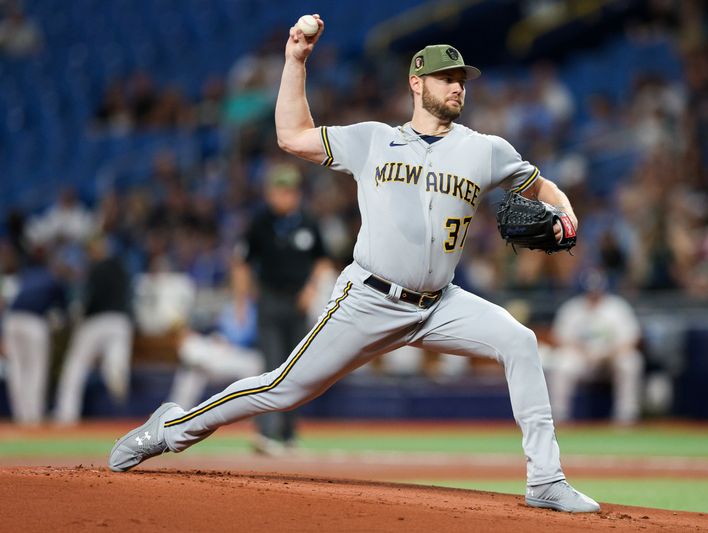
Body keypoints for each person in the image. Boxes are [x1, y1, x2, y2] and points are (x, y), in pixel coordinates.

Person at [109, 16, 600, 513]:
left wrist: (567, 217)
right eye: (446, 77)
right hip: (369, 298)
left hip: (441, 303)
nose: (457, 87)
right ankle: (169, 429)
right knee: (282, 389)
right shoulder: (373, 140)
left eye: (462, 79)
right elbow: (292, 135)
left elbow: (541, 187)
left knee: (520, 340)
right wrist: (295, 60)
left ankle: (545, 479)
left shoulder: (486, 150)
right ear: (416, 82)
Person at [242, 162, 333, 454]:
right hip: (269, 299)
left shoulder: (308, 221)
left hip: (298, 302)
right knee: (270, 365)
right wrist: (243, 300)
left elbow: (323, 260)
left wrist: (311, 289)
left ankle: (289, 434)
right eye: (278, 190)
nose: (282, 196)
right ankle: (266, 435)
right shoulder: (260, 222)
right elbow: (242, 262)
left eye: (287, 191)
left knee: (296, 369)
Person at [53, 235, 134, 425]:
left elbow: (88, 300)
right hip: (120, 322)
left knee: (75, 368)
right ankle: (124, 417)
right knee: (116, 370)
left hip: (96, 321)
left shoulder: (95, 268)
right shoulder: (121, 266)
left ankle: (65, 417)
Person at [547, 269, 644, 425]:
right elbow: (558, 338)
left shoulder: (617, 307)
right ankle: (559, 415)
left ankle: (626, 415)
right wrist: (582, 351)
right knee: (560, 363)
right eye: (590, 290)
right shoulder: (572, 308)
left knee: (631, 361)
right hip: (582, 359)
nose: (593, 294)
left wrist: (610, 353)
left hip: (611, 358)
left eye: (597, 290)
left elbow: (633, 339)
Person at [167, 260, 263, 409]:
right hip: (218, 355)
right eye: (236, 277)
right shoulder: (223, 301)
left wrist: (231, 343)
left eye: (243, 278)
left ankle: (249, 416)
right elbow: (203, 325)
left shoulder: (258, 305)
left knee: (254, 364)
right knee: (192, 362)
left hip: (242, 357)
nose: (239, 282)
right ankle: (172, 413)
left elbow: (261, 340)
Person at [2, 246, 67, 425]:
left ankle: (21, 416)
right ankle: (33, 417)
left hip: (11, 321)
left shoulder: (27, 275)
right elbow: (62, 314)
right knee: (36, 369)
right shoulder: (53, 278)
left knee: (16, 369)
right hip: (34, 322)